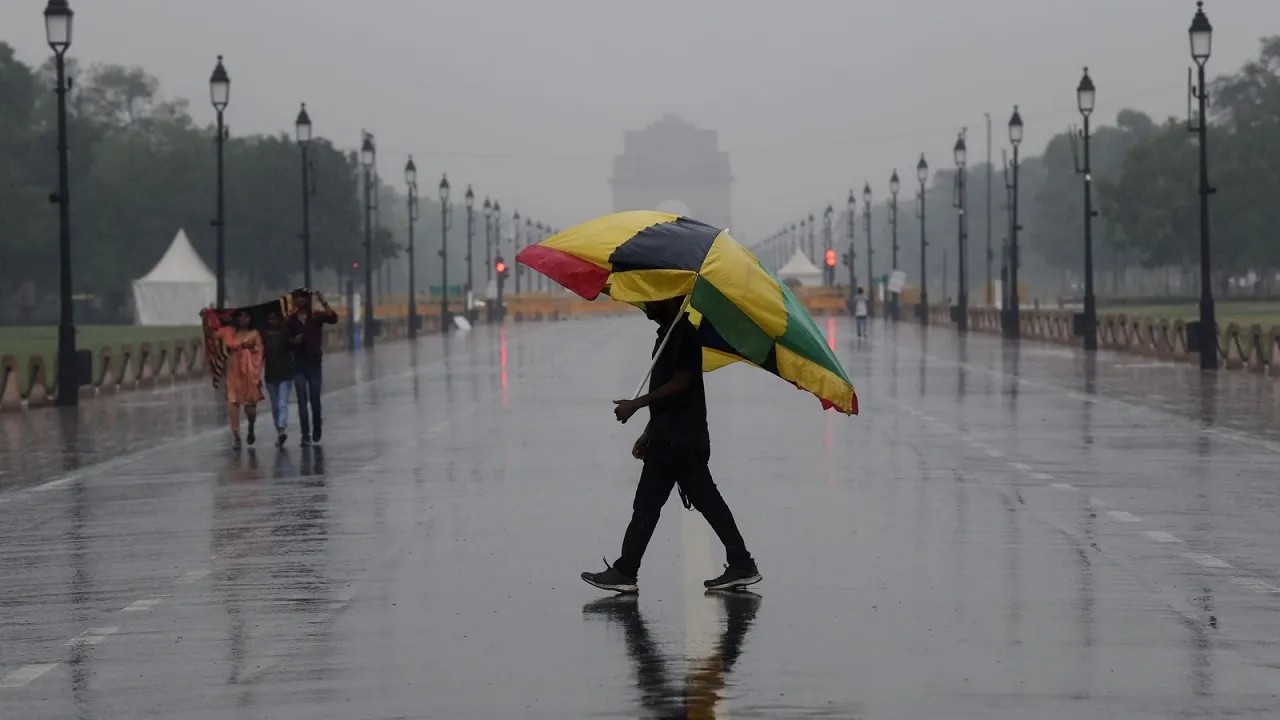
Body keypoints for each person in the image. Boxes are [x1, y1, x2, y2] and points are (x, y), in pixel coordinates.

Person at [581, 296, 760, 594]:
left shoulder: (683, 334)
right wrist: (648, 433)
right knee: (704, 503)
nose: (647, 305)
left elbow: (680, 384)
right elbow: (668, 394)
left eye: (653, 300)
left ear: (670, 300)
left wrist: (636, 404)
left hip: (679, 440)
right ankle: (742, 563)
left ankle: (626, 571)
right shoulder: (667, 335)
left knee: (648, 506)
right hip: (672, 436)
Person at [288, 292, 338, 446]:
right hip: (298, 364)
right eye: (298, 298)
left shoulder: (316, 317)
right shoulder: (290, 320)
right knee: (302, 401)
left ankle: (317, 428)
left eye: (304, 297)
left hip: (314, 363)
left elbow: (333, 318)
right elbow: (285, 340)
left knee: (315, 400)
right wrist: (294, 341)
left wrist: (324, 302)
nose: (301, 301)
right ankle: (305, 434)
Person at [218, 310, 264, 449]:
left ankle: (251, 426)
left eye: (246, 316)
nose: (243, 319)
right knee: (233, 403)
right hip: (234, 372)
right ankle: (236, 435)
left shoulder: (255, 334)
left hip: (249, 374)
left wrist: (245, 349)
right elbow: (213, 334)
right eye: (241, 316)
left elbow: (259, 352)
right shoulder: (230, 333)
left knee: (250, 409)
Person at [261, 310, 294, 447]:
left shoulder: (285, 334)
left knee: (282, 403)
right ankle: (279, 432)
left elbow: (292, 348)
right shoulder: (263, 336)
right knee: (275, 406)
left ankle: (282, 427)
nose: (272, 322)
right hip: (271, 376)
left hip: (285, 374)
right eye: (270, 319)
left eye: (275, 319)